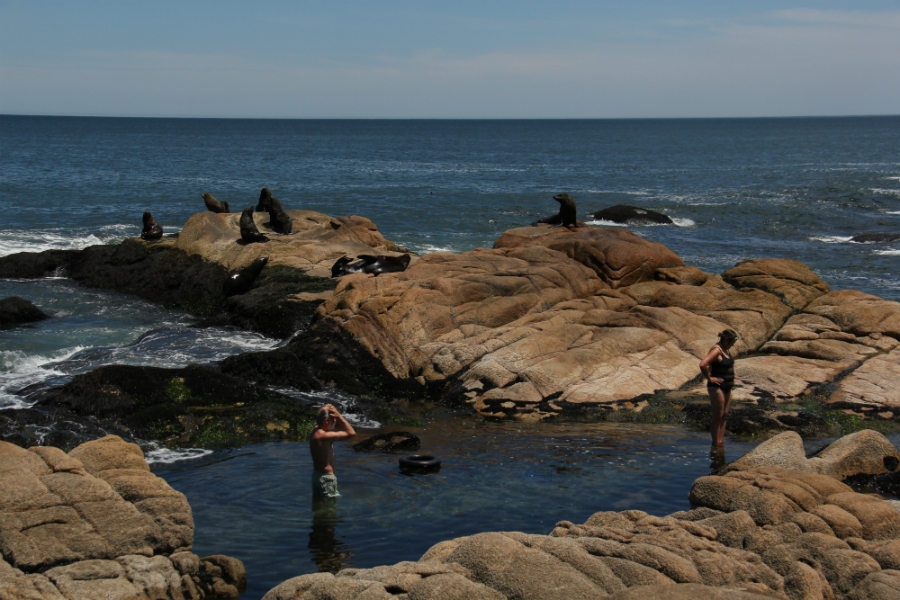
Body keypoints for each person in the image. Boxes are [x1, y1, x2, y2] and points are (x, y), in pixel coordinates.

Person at [699, 329, 738, 447]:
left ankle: (721, 440)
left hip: (727, 386)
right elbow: (703, 364)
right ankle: (716, 443)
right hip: (717, 387)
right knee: (718, 415)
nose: (733, 344)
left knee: (725, 414)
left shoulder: (725, 350)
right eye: (733, 341)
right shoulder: (717, 350)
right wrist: (710, 378)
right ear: (726, 339)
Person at [309, 404, 356, 498]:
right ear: (326, 421)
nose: (335, 421)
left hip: (317, 477)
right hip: (327, 479)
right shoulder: (324, 436)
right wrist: (339, 415)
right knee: (330, 509)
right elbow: (351, 433)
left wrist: (334, 414)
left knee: (319, 507)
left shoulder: (315, 431)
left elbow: (338, 428)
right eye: (332, 420)